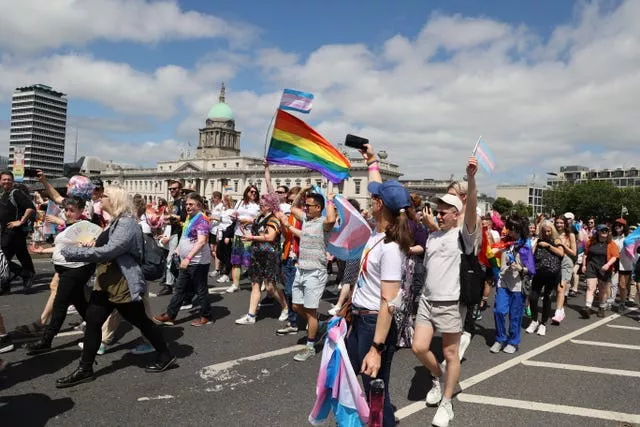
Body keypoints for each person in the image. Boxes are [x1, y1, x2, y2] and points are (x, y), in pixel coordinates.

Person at [56, 186, 175, 388]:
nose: (99, 199)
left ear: (114, 200)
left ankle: (165, 354)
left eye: (103, 196)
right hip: (106, 281)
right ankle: (85, 368)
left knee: (142, 322)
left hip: (121, 282)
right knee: (93, 322)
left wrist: (74, 253)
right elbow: (105, 248)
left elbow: (110, 251)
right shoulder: (115, 222)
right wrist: (91, 246)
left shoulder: (127, 224)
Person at [411, 156, 479, 427]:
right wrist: (431, 228)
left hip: (449, 303)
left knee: (451, 354)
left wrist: (471, 178)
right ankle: (440, 378)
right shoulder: (434, 235)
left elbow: (471, 207)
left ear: (456, 213)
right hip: (427, 300)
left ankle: (447, 402)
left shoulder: (465, 235)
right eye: (437, 211)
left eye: (444, 211)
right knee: (419, 347)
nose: (438, 214)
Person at [347, 143, 411, 427]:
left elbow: (389, 301)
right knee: (357, 378)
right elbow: (377, 188)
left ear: (379, 205)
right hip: (361, 317)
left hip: (375, 324)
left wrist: (376, 347)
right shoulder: (379, 232)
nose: (371, 200)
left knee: (375, 390)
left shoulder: (390, 248)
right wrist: (372, 161)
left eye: (375, 199)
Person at [26, 198, 96, 354]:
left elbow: (94, 243)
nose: (68, 213)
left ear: (80, 211)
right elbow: (60, 248)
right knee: (80, 303)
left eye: (72, 210)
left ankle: (47, 339)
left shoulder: (84, 226)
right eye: (66, 210)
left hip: (77, 269)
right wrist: (42, 251)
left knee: (60, 303)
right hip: (65, 268)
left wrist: (91, 242)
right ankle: (95, 331)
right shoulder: (68, 226)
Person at [276, 188, 336, 361]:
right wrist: (302, 194)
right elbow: (293, 209)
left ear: (318, 208)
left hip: (316, 272)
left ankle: (310, 346)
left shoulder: (323, 223)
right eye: (305, 205)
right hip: (301, 270)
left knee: (310, 311)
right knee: (295, 306)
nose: (305, 208)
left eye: (309, 206)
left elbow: (331, 218)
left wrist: (330, 200)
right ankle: (321, 325)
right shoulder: (306, 220)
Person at [154, 193, 213, 327]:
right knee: (180, 289)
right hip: (186, 260)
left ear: (199, 205)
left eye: (191, 204)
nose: (187, 207)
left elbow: (202, 241)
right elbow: (185, 236)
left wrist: (188, 258)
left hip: (198, 262)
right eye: (186, 204)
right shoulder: (189, 217)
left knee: (200, 289)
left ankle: (206, 316)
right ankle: (170, 315)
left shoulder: (202, 219)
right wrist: (178, 250)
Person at [235, 192, 288, 325]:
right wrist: (247, 224)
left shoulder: (274, 219)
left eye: (263, 205)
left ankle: (286, 307)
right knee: (255, 284)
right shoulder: (260, 216)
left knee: (270, 287)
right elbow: (257, 224)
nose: (260, 206)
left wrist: (251, 237)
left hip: (270, 255)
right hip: (257, 254)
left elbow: (270, 237)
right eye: (260, 204)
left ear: (270, 206)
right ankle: (251, 315)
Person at [490, 214, 535, 354]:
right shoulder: (504, 243)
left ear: (520, 229)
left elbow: (532, 270)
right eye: (509, 228)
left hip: (518, 285)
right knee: (498, 311)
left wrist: (521, 268)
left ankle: (513, 341)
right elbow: (491, 252)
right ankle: (500, 339)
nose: (510, 231)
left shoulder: (525, 246)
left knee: (515, 316)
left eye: (513, 229)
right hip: (503, 282)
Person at [0, 170, 36, 294]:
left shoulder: (16, 193)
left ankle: (25, 274)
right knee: (20, 254)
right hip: (7, 232)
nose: (6, 181)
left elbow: (30, 207)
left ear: (13, 181)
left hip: (14, 232)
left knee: (3, 259)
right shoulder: (3, 195)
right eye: (4, 179)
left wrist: (20, 221)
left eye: (9, 179)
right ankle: (7, 282)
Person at [526, 220, 564, 336]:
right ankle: (534, 320)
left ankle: (543, 323)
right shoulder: (538, 241)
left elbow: (561, 253)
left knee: (547, 297)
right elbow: (531, 255)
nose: (547, 233)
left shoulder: (557, 240)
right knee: (533, 297)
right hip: (539, 272)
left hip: (552, 273)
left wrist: (548, 246)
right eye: (545, 231)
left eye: (549, 231)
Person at [275, 187, 303, 335]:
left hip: (299, 258)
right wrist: (283, 222)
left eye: (294, 201)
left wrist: (287, 224)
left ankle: (308, 320)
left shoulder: (305, 217)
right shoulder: (290, 215)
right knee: (289, 291)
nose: (291, 205)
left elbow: (303, 235)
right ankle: (293, 321)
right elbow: (286, 235)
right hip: (287, 255)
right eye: (290, 201)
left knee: (293, 292)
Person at [581, 224, 619, 319]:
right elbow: (585, 254)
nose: (604, 232)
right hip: (592, 266)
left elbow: (615, 256)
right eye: (602, 230)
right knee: (590, 287)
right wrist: (584, 265)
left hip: (605, 267)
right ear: (597, 232)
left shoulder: (611, 244)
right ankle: (588, 307)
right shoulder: (591, 242)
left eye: (606, 231)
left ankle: (601, 307)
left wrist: (608, 264)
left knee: (603, 289)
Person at [226, 185, 260, 293]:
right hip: (238, 233)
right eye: (251, 191)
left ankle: (258, 283)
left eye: (255, 192)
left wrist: (249, 221)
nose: (253, 193)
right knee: (236, 261)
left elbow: (260, 219)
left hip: (251, 235)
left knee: (251, 261)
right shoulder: (240, 203)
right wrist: (234, 216)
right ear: (246, 192)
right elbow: (234, 215)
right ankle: (235, 284)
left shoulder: (258, 205)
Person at [158, 180, 187, 296]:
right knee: (172, 259)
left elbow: (186, 217)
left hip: (181, 233)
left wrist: (175, 217)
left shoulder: (183, 202)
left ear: (180, 189)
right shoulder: (172, 203)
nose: (172, 191)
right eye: (170, 189)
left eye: (174, 189)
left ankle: (170, 284)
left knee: (172, 259)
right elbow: (172, 221)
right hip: (173, 233)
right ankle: (174, 282)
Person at [552, 215, 577, 324]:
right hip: (554, 262)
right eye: (557, 222)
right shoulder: (552, 234)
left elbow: (574, 252)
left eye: (561, 223)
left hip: (566, 263)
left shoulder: (570, 235)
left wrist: (563, 245)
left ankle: (557, 312)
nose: (559, 225)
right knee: (555, 288)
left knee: (560, 288)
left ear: (565, 224)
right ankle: (561, 308)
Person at [612, 218, 634, 313]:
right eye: (616, 225)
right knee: (611, 283)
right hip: (613, 262)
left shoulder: (628, 238)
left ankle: (622, 302)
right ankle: (610, 301)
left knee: (622, 285)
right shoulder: (612, 237)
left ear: (624, 227)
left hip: (625, 264)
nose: (617, 227)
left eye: (620, 225)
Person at [208, 191, 224, 278]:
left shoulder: (222, 206)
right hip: (212, 230)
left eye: (213, 198)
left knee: (216, 251)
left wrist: (212, 217)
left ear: (217, 198)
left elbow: (223, 218)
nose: (212, 199)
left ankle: (217, 269)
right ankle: (220, 265)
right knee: (212, 250)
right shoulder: (214, 206)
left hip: (218, 230)